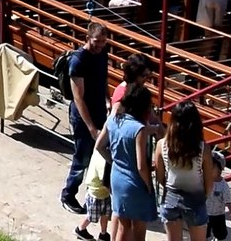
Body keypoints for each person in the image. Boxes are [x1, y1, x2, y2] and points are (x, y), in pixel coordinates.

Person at [96, 84, 158, 241]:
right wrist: (149, 185)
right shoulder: (139, 129)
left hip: (117, 178)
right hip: (135, 183)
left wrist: (115, 161)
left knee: (123, 226)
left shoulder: (114, 120)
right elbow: (140, 165)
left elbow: (100, 146)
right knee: (139, 231)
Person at [61, 24, 111, 215]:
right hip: (83, 116)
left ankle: (96, 195)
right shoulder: (78, 60)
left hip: (99, 110)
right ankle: (68, 194)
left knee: (100, 157)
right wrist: (91, 127)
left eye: (104, 42)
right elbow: (78, 97)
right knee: (82, 157)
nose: (100, 46)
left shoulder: (102, 54)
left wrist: (107, 100)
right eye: (97, 42)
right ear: (88, 37)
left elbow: (103, 79)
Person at [155, 102, 213, 241]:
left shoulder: (161, 145)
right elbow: (209, 183)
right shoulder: (203, 149)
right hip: (196, 199)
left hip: (171, 198)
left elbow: (160, 177)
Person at [76, 149, 112, 241]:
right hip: (95, 194)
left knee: (105, 214)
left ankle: (103, 233)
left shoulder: (98, 150)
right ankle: (80, 229)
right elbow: (105, 181)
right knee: (91, 216)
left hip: (103, 193)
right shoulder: (104, 161)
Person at [205, 151, 231, 241]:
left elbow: (229, 201)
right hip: (204, 214)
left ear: (220, 169)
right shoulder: (203, 181)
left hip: (218, 215)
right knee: (204, 234)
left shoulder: (223, 186)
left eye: (211, 166)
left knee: (221, 234)